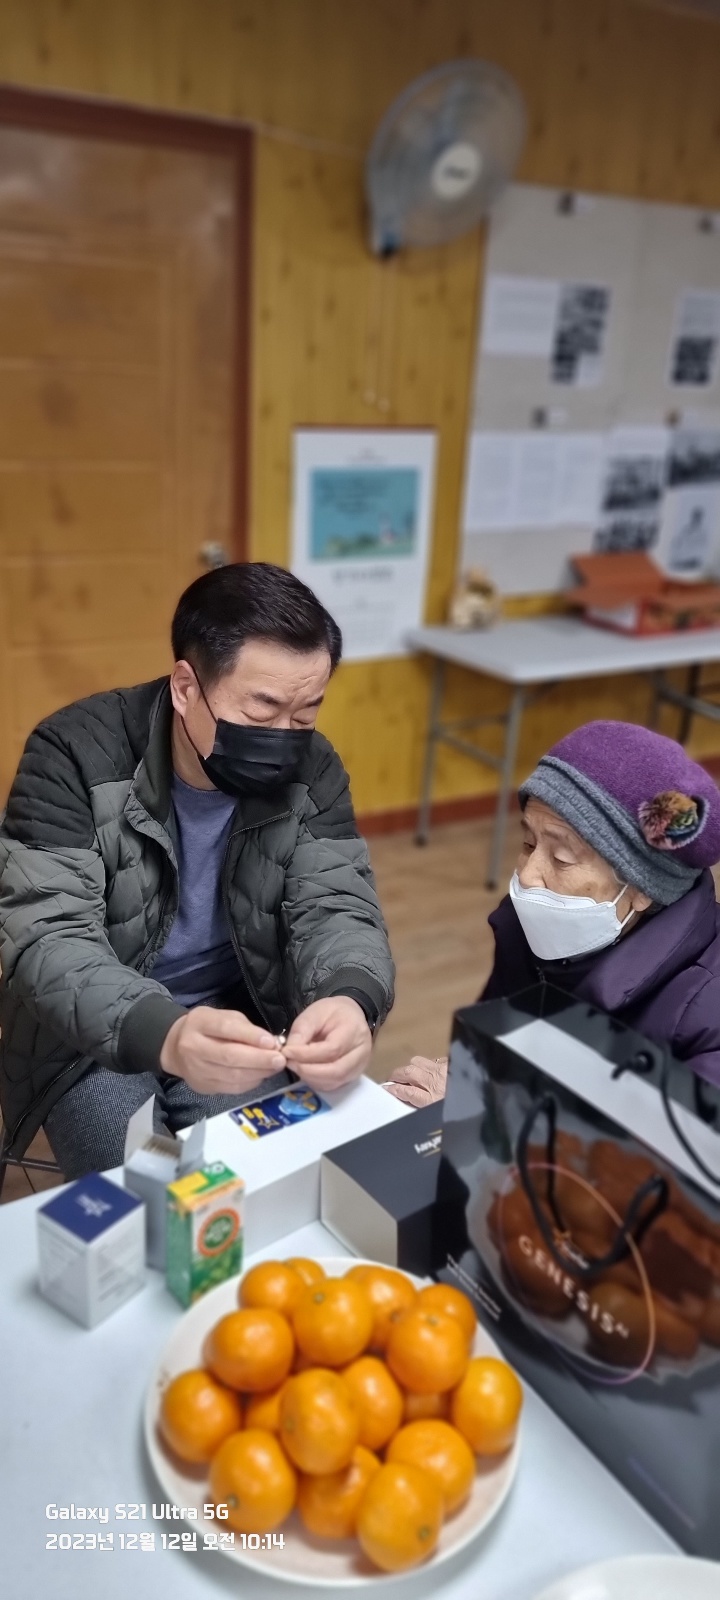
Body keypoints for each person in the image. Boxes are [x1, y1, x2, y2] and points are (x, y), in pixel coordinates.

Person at [0, 562, 394, 1176]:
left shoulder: (313, 770)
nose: (286, 737)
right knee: (142, 1189)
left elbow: (336, 903)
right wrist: (166, 1033)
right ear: (186, 687)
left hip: (235, 1013)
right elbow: (46, 936)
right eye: (262, 711)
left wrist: (349, 996)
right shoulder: (72, 753)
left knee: (254, 1175)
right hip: (90, 1031)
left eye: (306, 714)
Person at [385, 720, 720, 1106]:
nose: (528, 876)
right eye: (528, 843)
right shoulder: (527, 931)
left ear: (642, 888)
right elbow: (488, 1055)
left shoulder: (705, 1011)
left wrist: (485, 1111)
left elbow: (670, 1142)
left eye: (561, 858)